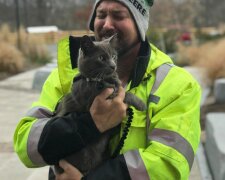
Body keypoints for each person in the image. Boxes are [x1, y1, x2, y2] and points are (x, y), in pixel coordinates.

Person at [14, 0, 202, 179]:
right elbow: (26, 145)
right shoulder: (64, 76)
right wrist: (88, 124)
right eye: (101, 14)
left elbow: (169, 165)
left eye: (118, 15)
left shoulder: (178, 85)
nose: (107, 24)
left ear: (139, 23)